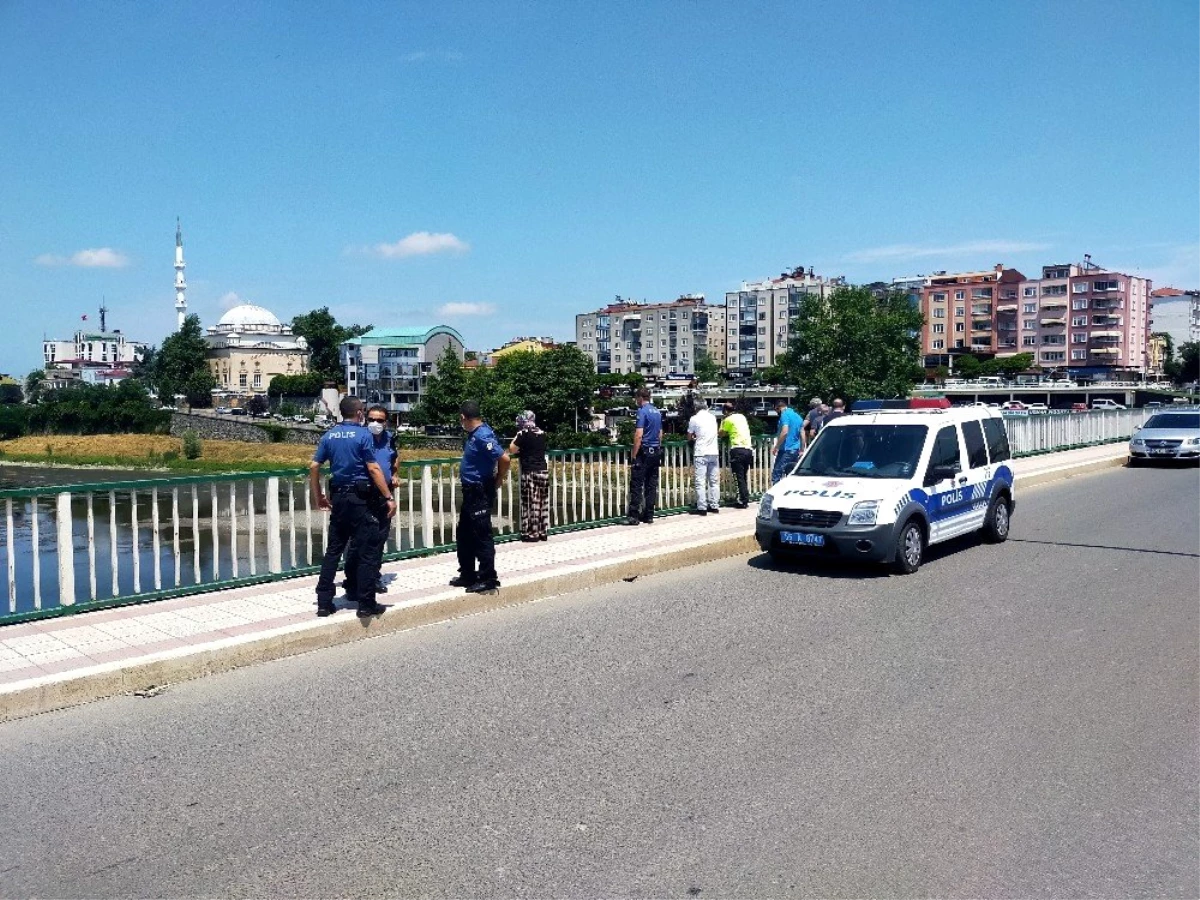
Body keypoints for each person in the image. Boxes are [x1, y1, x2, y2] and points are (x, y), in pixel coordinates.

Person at [309, 396, 395, 619]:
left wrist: (319, 496)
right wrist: (388, 497)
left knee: (333, 551)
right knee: (366, 551)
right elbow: (374, 468)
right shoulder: (363, 435)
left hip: (338, 498)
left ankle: (324, 603)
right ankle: (366, 604)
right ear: (359, 414)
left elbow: (314, 466)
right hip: (360, 499)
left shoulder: (329, 435)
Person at [450, 400, 510, 594]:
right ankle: (467, 573)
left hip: (479, 491)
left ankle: (488, 578)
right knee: (465, 534)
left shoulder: (483, 436)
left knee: (481, 535)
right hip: (471, 491)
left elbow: (504, 458)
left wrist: (500, 477)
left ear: (463, 418)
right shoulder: (475, 434)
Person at [343, 405, 395, 599]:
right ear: (365, 418)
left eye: (380, 420)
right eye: (372, 419)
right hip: (364, 494)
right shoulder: (361, 437)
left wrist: (395, 474)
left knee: (379, 538)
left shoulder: (390, 439)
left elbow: (395, 458)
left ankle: (373, 576)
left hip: (384, 493)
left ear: (386, 422)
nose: (375, 423)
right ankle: (352, 582)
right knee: (358, 540)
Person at [622, 387, 663, 525]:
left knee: (637, 484)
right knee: (651, 485)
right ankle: (649, 515)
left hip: (644, 452)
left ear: (640, 397)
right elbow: (660, 434)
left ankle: (634, 516)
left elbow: (639, 434)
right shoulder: (657, 411)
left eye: (636, 398)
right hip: (655, 451)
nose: (636, 401)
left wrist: (634, 455)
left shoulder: (642, 411)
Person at [509, 410, 549, 542]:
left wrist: (517, 436)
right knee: (542, 502)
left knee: (530, 502)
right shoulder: (542, 433)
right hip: (543, 470)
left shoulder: (523, 433)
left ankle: (531, 534)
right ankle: (543, 531)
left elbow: (512, 449)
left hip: (529, 471)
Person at [686, 398, 720, 514]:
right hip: (714, 451)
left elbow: (689, 436)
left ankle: (702, 507)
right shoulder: (713, 417)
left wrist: (693, 439)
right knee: (714, 481)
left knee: (700, 481)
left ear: (696, 407)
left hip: (701, 452)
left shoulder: (694, 419)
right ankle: (714, 505)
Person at [720, 401, 753, 508]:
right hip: (748, 449)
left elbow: (721, 433)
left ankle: (742, 500)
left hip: (737, 449)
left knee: (738, 477)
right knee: (743, 475)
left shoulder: (727, 420)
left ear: (725, 411)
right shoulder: (742, 416)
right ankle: (745, 498)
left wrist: (722, 423)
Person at [771, 398, 804, 484]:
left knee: (777, 473)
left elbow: (785, 431)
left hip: (786, 449)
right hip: (796, 450)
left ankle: (776, 495)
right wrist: (802, 449)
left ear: (778, 407)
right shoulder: (798, 416)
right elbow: (802, 435)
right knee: (791, 474)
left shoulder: (784, 415)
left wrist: (776, 446)